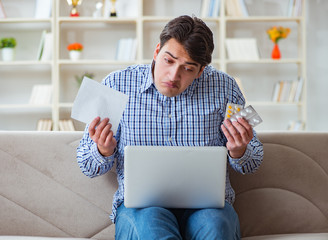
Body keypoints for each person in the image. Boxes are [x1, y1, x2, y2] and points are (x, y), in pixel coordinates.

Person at [77, 15, 264, 240]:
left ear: (201, 70)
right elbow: (86, 164)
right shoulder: (116, 84)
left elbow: (253, 161)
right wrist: (103, 151)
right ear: (157, 51)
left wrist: (239, 151)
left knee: (216, 228)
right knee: (152, 232)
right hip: (140, 209)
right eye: (169, 60)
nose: (173, 76)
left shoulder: (225, 87)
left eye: (188, 68)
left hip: (209, 208)